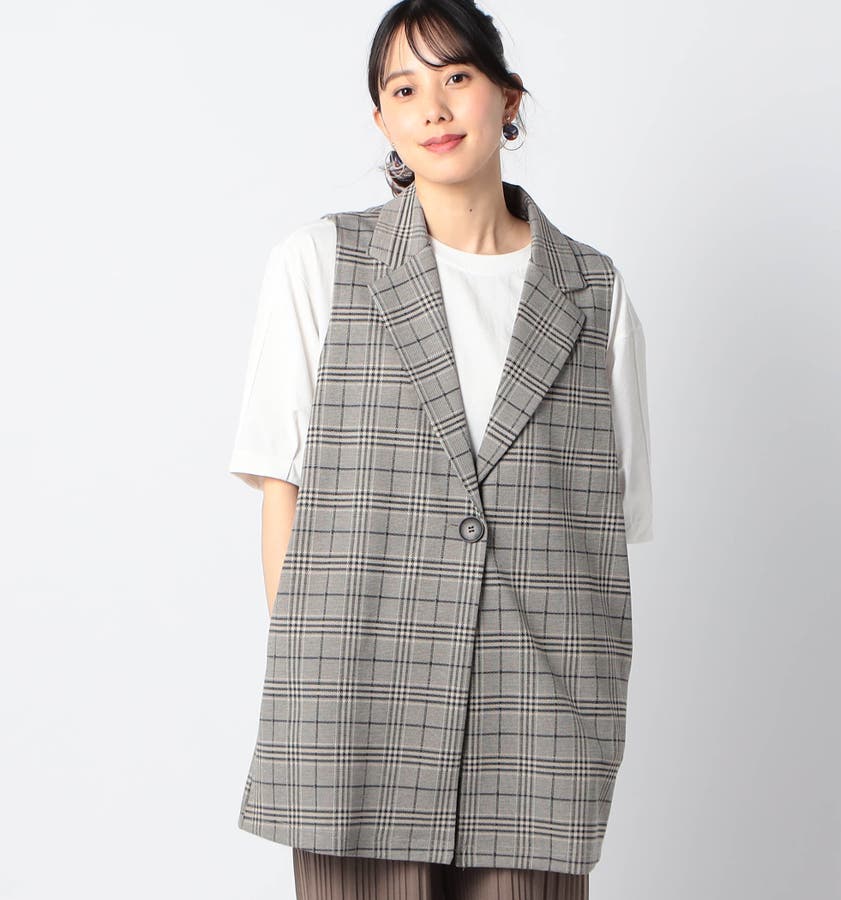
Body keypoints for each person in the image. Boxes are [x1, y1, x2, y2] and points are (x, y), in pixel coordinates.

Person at [228, 1, 653, 897]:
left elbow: (606, 532)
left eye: (457, 76)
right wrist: (318, 688)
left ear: (508, 97)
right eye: (404, 89)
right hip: (358, 715)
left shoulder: (595, 293)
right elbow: (282, 494)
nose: (434, 107)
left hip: (537, 725)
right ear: (381, 120)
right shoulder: (320, 263)